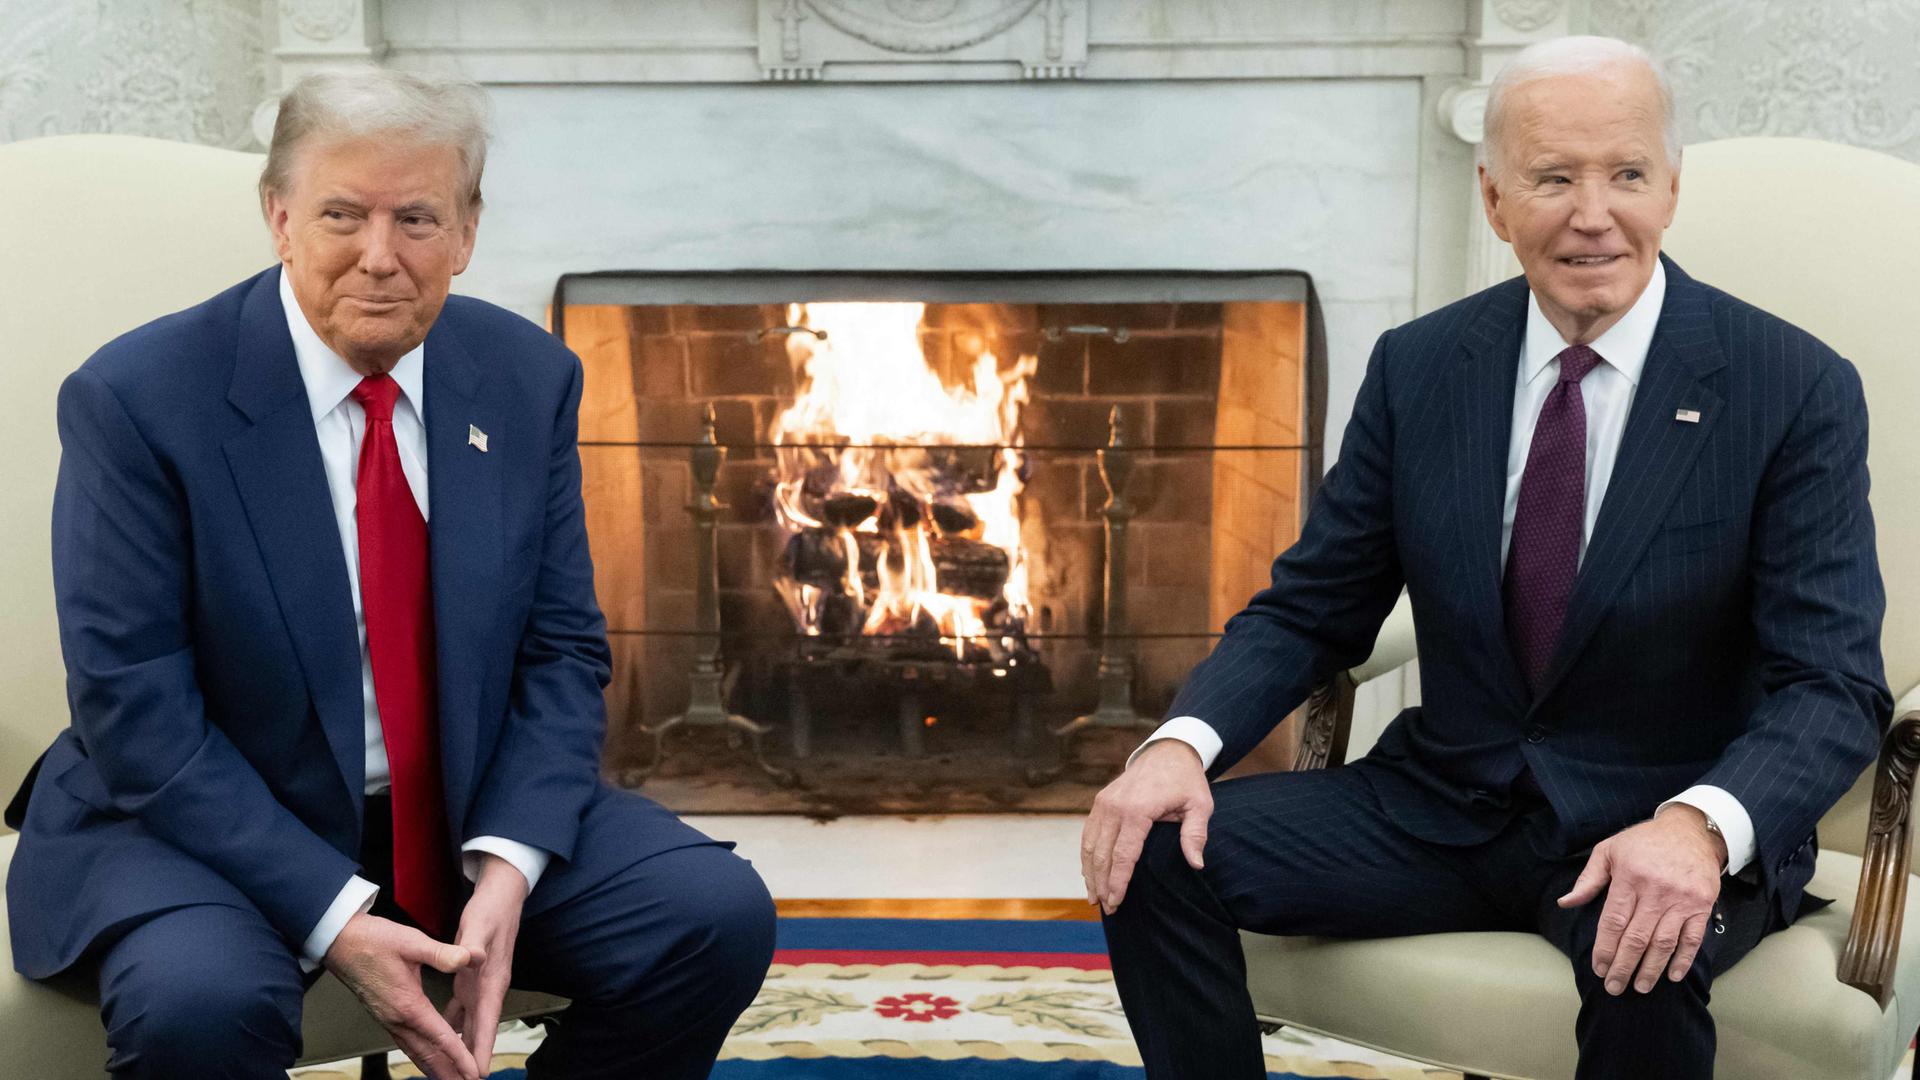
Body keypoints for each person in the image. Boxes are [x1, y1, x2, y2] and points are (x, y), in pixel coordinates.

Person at [1082, 35, 1889, 1080]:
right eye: (1553, 178)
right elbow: (1312, 607)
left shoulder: (1792, 387)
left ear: (1671, 188)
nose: (1593, 214)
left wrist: (1699, 828)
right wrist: (1178, 747)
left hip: (1660, 812)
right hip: (1443, 804)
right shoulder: (1421, 368)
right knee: (1151, 848)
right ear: (1495, 198)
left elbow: (1831, 683)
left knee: (1642, 946)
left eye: (1628, 176)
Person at [4, 68, 774, 1080]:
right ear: (279, 218)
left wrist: (507, 865)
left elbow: (561, 649)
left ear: (466, 230)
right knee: (201, 1005)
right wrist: (338, 918)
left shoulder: (525, 376)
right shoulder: (138, 399)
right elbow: (133, 710)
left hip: (454, 808)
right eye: (340, 215)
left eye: (417, 217)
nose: (380, 258)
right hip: (205, 823)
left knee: (709, 919)